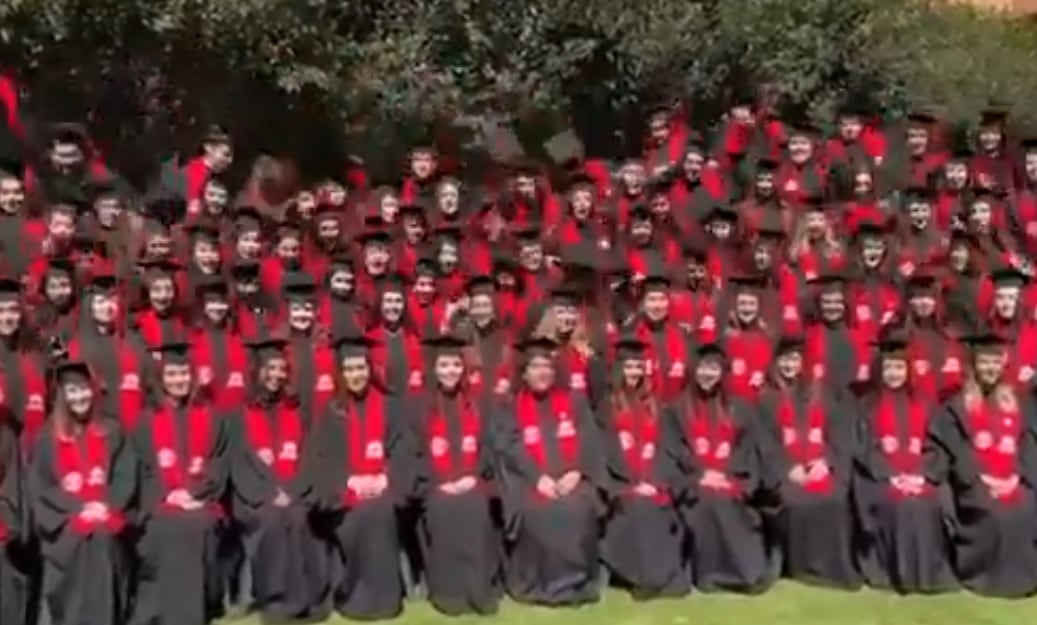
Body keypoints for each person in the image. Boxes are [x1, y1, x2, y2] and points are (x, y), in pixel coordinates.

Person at [493, 336, 606, 606]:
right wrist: (538, 479)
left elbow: (589, 439)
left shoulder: (574, 402)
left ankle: (577, 582)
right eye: (535, 367)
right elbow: (509, 449)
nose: (542, 372)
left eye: (547, 366)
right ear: (524, 373)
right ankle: (540, 585)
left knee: (577, 508)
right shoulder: (510, 407)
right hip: (529, 484)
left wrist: (576, 471)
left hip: (572, 480)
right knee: (541, 512)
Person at [309, 333, 414, 620]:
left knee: (379, 512)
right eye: (350, 369)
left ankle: (385, 600)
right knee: (358, 517)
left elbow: (404, 451)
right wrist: (349, 482)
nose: (356, 375)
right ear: (341, 373)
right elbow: (321, 460)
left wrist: (385, 478)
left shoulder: (391, 406)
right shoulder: (331, 411)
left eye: (361, 368)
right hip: (346, 492)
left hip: (384, 487)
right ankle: (355, 596)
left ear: (370, 369)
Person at [928, 330, 1037, 598]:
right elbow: (952, 450)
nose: (990, 368)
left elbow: (1028, 445)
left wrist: (1017, 476)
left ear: (1003, 364)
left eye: (995, 362)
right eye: (984, 362)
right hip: (974, 482)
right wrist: (982, 478)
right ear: (974, 365)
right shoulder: (955, 407)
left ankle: (1024, 578)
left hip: (1013, 477)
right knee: (995, 514)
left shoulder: (1019, 404)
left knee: (1025, 509)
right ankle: (985, 577)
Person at [227, 332, 326, 622]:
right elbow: (239, 463)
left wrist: (293, 490)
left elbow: (308, 456)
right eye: (270, 369)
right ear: (258, 371)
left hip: (293, 490)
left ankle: (304, 599)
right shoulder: (240, 412)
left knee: (297, 517)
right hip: (254, 495)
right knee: (272, 519)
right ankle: (275, 600)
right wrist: (270, 493)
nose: (276, 376)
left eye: (282, 370)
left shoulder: (296, 409)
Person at [29, 359, 138, 625]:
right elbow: (40, 488)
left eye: (84, 389)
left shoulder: (111, 431)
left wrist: (106, 505)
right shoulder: (46, 438)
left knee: (102, 539)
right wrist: (78, 509)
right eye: (72, 391)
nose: (80, 397)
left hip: (107, 518)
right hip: (65, 526)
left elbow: (125, 475)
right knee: (80, 542)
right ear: (62, 396)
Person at [130, 339, 229, 625]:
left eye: (184, 374)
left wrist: (195, 492)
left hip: (202, 499)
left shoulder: (212, 417)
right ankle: (161, 611)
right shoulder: (146, 420)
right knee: (167, 529)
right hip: (160, 502)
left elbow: (219, 462)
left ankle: (192, 612)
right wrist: (168, 495)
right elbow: (142, 469)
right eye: (172, 375)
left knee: (198, 525)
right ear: (161, 379)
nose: (179, 380)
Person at [853, 330, 956, 594]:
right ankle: (894, 573)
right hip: (879, 477)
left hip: (920, 476)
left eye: (899, 367)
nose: (894, 374)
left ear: (908, 370)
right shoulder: (866, 405)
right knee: (900, 504)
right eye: (889, 368)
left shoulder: (925, 404)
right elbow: (863, 449)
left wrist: (920, 475)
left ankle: (927, 574)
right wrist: (892, 475)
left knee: (927, 501)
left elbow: (937, 448)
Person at [668, 341, 773, 593]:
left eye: (714, 369)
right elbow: (673, 451)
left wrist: (728, 476)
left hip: (730, 481)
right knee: (708, 503)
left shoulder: (739, 408)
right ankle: (711, 575)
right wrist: (701, 476)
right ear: (694, 370)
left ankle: (745, 573)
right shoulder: (677, 410)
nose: (708, 374)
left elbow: (747, 451)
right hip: (694, 484)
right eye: (703, 368)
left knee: (728, 504)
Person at [757, 335, 859, 588]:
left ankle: (831, 567)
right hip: (786, 472)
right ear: (775, 363)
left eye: (794, 360)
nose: (790, 366)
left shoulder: (818, 395)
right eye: (784, 360)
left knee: (834, 499)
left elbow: (837, 436)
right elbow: (762, 444)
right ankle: (801, 567)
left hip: (819, 467)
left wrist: (826, 464)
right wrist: (787, 470)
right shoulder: (765, 399)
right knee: (795, 500)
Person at [411, 332, 502, 615]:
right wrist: (441, 482)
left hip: (472, 481)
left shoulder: (476, 405)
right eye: (444, 366)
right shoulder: (419, 407)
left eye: (455, 365)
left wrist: (470, 476)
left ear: (463, 369)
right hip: (435, 486)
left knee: (474, 507)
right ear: (434, 369)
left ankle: (478, 592)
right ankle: (450, 594)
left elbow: (487, 449)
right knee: (444, 510)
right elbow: (413, 454)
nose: (450, 371)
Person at [599, 335, 689, 599]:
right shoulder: (607, 407)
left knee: (654, 508)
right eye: (629, 367)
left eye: (639, 367)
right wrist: (631, 483)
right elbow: (604, 452)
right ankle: (643, 577)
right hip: (620, 485)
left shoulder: (656, 408)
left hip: (653, 484)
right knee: (638, 508)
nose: (634, 373)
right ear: (619, 370)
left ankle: (659, 577)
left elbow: (667, 451)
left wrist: (654, 481)